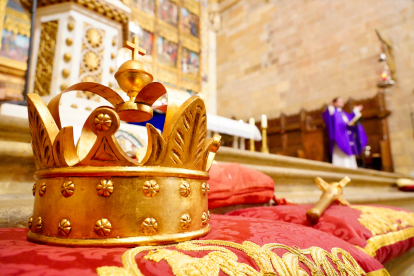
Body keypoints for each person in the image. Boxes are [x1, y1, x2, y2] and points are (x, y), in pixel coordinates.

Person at [322, 97, 368, 169]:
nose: (341, 103)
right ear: (334, 103)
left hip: (348, 137)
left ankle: (351, 168)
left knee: (350, 155)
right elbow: (328, 118)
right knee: (339, 155)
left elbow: (351, 119)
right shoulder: (333, 112)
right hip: (339, 137)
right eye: (339, 102)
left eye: (342, 102)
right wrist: (330, 106)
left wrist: (355, 111)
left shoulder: (345, 114)